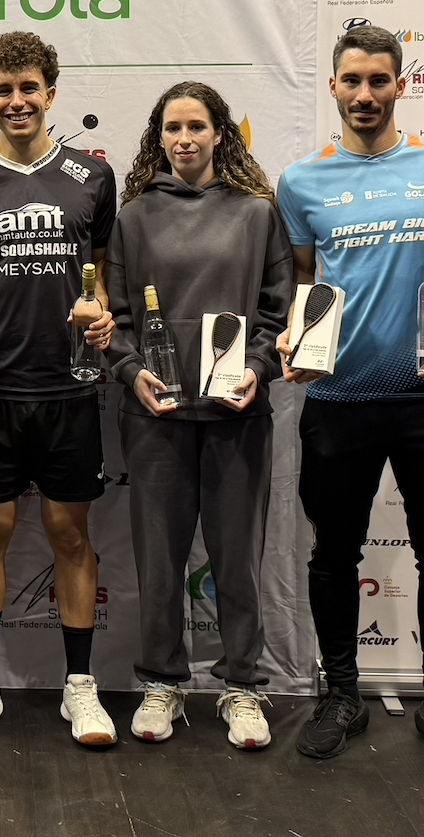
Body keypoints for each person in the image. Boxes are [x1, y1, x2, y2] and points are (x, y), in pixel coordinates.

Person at [276, 24, 424, 772]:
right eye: (352, 81)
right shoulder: (301, 181)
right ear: (333, 87)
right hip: (339, 401)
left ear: (402, 85)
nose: (365, 94)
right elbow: (304, 280)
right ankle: (341, 695)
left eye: (379, 81)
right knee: (335, 554)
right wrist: (296, 335)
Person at [0, 31, 119, 749]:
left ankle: (81, 688)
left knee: (71, 534)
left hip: (70, 391)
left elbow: (104, 279)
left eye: (29, 88)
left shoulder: (92, 178)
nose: (17, 101)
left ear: (51, 93)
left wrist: (103, 314)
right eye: (3, 91)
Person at [106, 83, 294, 748]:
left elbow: (278, 311)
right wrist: (130, 372)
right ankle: (163, 682)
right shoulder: (133, 217)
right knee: (159, 564)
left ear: (220, 133)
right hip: (155, 416)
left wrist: (259, 368)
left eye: (196, 126)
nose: (184, 139)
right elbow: (117, 318)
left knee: (237, 561)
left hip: (236, 416)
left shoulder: (257, 213)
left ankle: (242, 685)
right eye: (172, 128)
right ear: (158, 137)